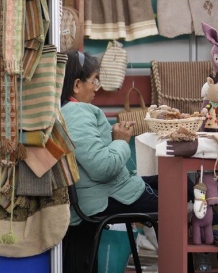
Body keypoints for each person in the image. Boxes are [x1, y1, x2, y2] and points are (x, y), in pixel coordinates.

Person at [60, 50, 159, 271]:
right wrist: (121, 141)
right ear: (76, 85)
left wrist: (116, 140)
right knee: (179, 199)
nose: (97, 87)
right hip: (104, 196)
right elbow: (102, 168)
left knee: (180, 186)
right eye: (94, 80)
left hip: (103, 192)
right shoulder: (78, 113)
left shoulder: (70, 112)